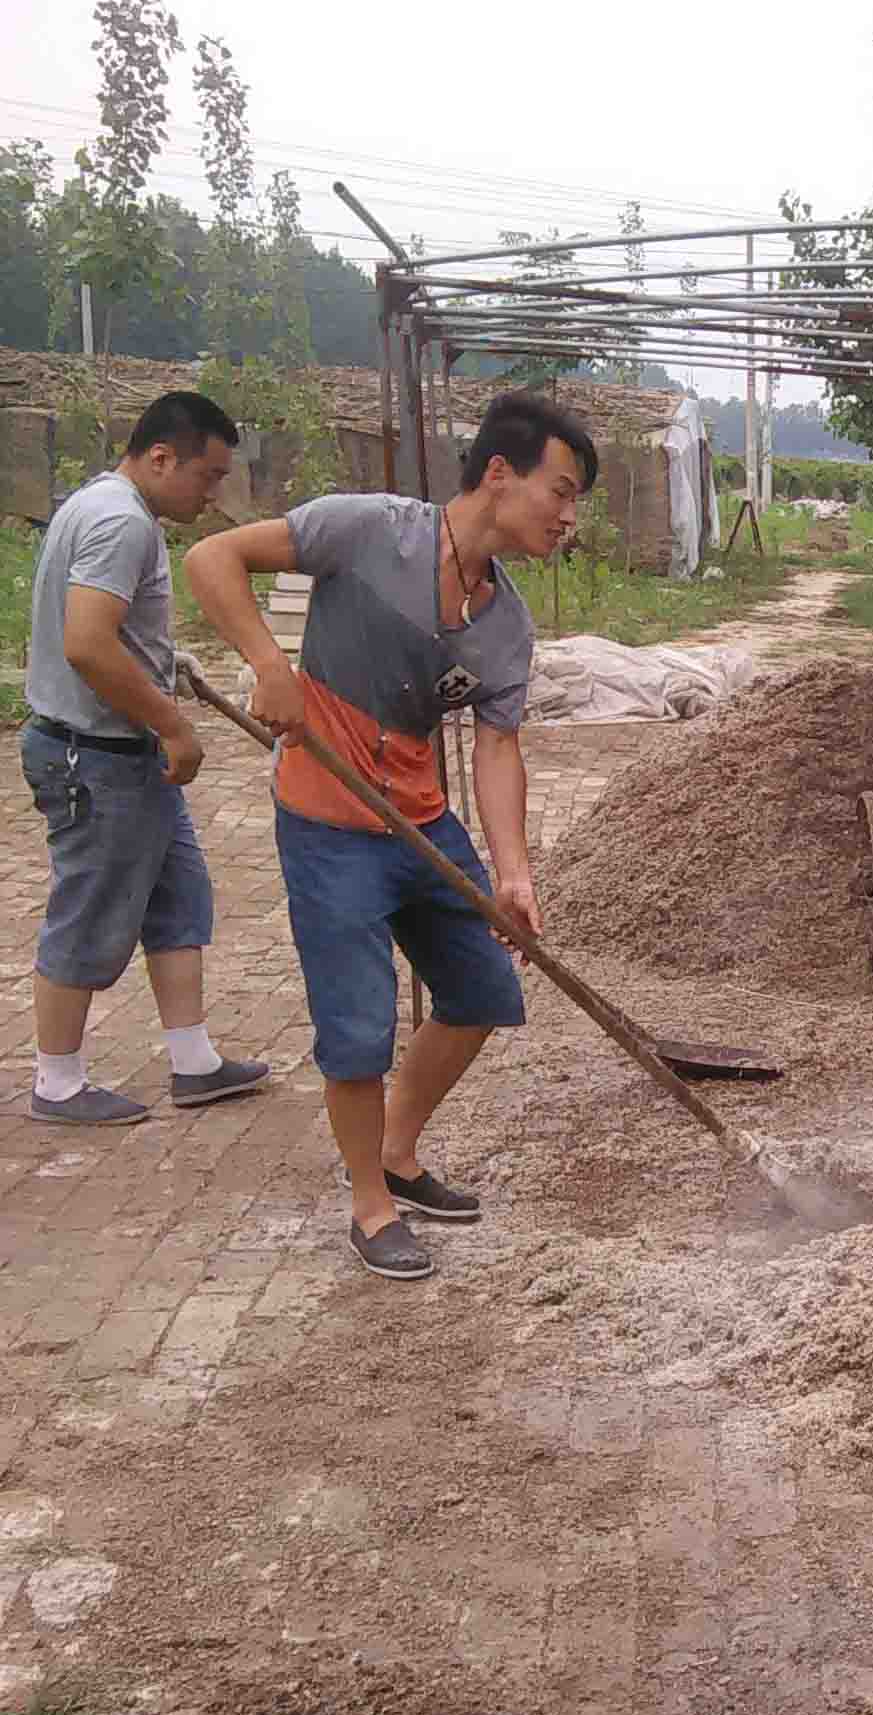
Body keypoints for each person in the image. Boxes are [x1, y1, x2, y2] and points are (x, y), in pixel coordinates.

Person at [184, 391, 596, 1281]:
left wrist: (513, 872)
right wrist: (268, 665)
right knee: (358, 1029)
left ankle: (398, 1155)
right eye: (560, 492)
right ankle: (369, 1206)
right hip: (329, 822)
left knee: (487, 989)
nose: (569, 517)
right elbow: (213, 556)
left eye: (577, 502)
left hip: (422, 822)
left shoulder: (504, 624)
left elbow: (496, 749)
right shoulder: (368, 530)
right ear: (498, 473)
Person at [20, 391, 271, 1126]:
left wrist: (164, 667)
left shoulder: (102, 504)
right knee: (90, 910)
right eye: (209, 475)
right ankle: (57, 1082)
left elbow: (106, 635)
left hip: (119, 749)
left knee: (178, 901)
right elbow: (87, 643)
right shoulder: (121, 522)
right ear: (162, 457)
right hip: (93, 757)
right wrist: (175, 727)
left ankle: (194, 1061)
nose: (213, 491)